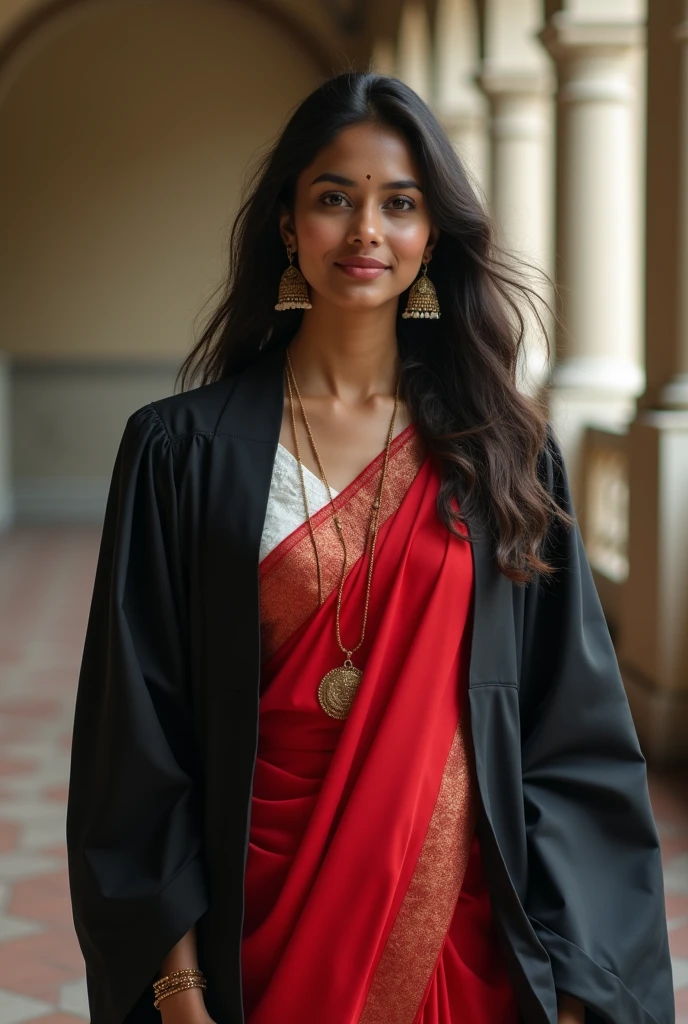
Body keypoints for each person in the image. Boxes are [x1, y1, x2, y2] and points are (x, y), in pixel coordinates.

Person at [66, 71, 674, 1024]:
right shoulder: (180, 451)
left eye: (400, 203)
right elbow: (136, 744)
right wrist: (175, 983)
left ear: (433, 234)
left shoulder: (502, 455)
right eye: (333, 199)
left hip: (458, 947)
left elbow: (573, 733)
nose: (365, 233)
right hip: (246, 940)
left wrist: (577, 983)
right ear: (286, 224)